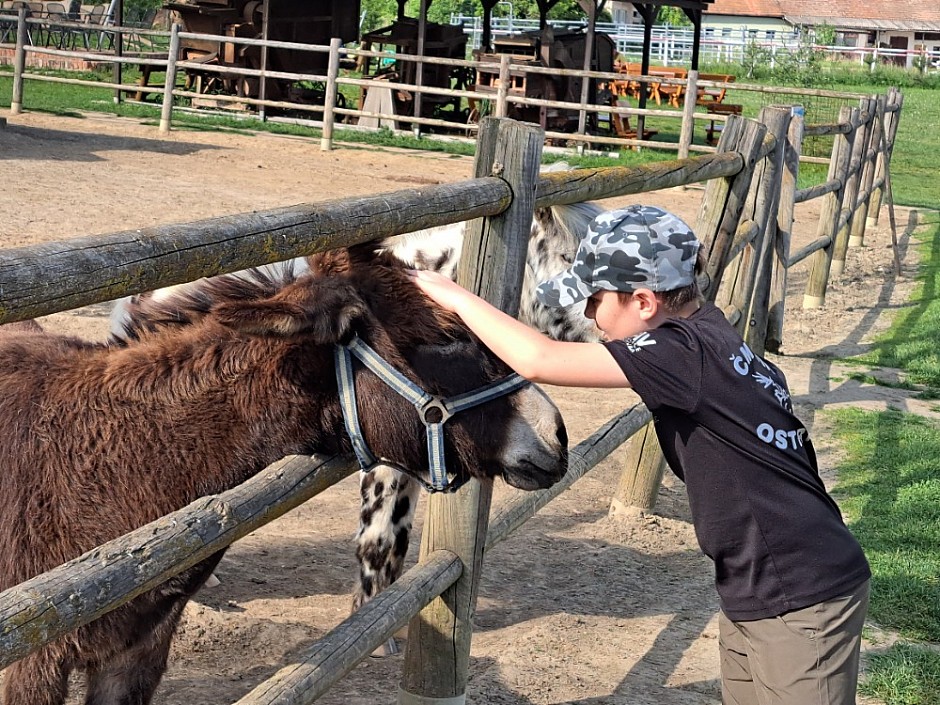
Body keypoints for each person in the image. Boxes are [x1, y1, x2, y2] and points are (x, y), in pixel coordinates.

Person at [410, 204, 871, 705]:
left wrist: (449, 292)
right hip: (760, 581)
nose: (588, 314)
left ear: (645, 302)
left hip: (801, 592)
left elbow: (540, 358)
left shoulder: (679, 354)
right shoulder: (709, 330)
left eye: (594, 300)